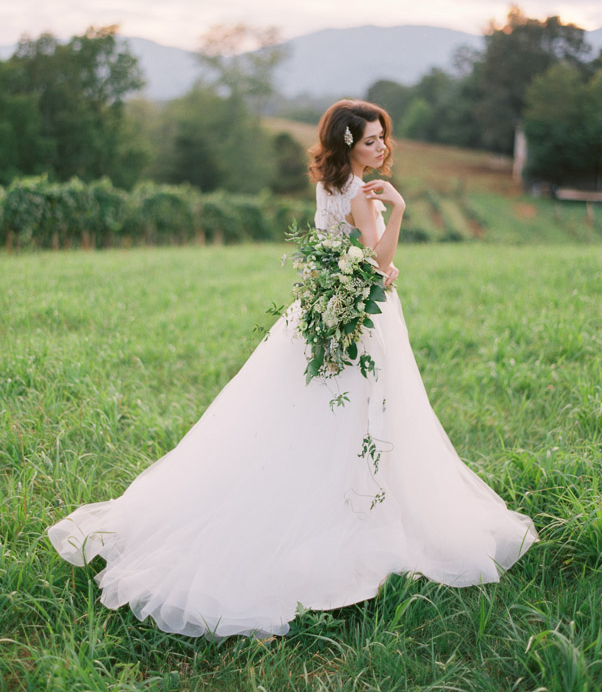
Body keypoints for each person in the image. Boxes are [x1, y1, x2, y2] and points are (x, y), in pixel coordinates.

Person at [48, 99, 538, 640]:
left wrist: (364, 262)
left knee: (311, 418)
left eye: (384, 139)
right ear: (349, 144)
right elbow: (375, 262)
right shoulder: (362, 192)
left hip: (322, 309)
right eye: (372, 140)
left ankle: (339, 506)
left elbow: (333, 251)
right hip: (358, 315)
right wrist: (397, 212)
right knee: (363, 418)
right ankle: (352, 520)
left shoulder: (331, 185)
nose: (382, 148)